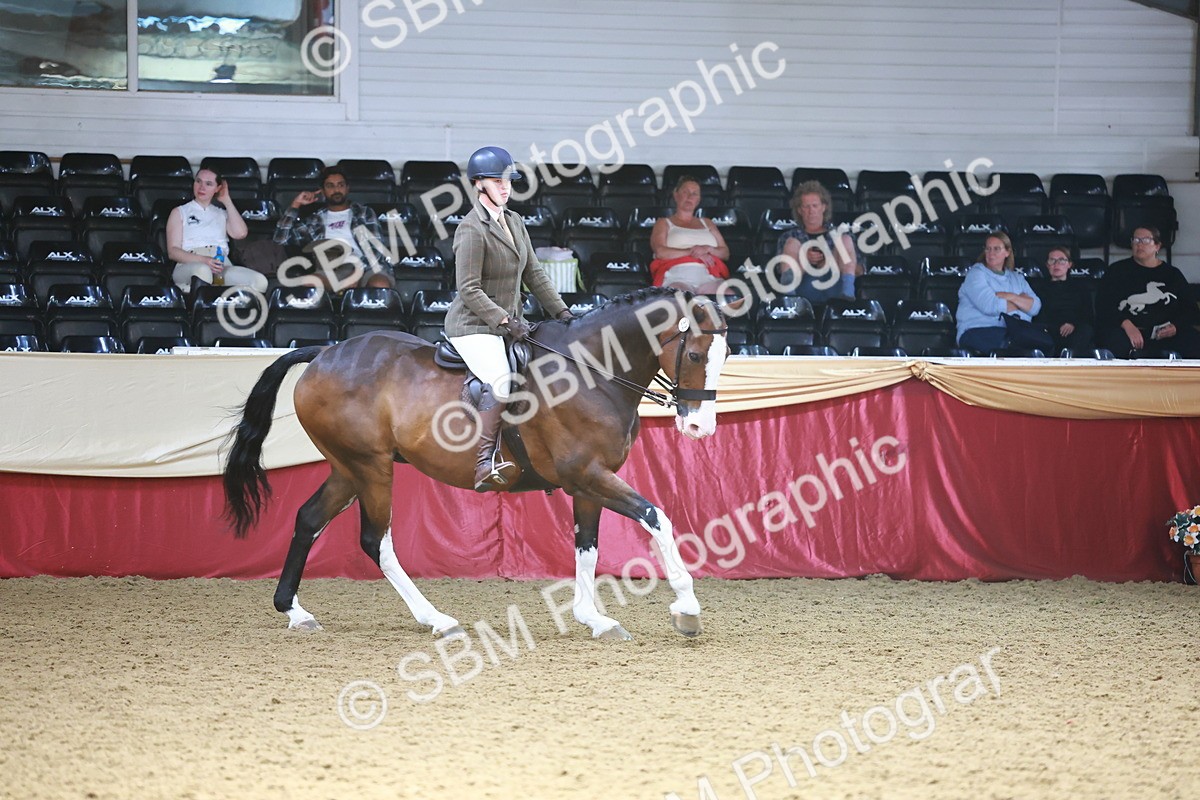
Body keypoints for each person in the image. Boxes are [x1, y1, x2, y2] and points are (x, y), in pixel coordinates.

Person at [445, 146, 574, 492]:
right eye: (498, 180)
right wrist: (504, 320)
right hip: (473, 326)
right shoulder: (471, 229)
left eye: (508, 180)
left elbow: (535, 274)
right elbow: (469, 289)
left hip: (506, 325)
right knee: (502, 380)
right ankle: (484, 463)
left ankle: (540, 458)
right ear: (478, 184)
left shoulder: (514, 221)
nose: (505, 187)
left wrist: (562, 313)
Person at [273, 166, 395, 291]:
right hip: (332, 269)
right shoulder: (315, 220)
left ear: (347, 188)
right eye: (330, 186)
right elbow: (281, 239)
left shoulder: (364, 213)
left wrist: (356, 274)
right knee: (308, 283)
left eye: (340, 185)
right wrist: (296, 204)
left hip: (368, 267)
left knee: (380, 285)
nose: (336, 189)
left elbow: (376, 249)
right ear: (322, 191)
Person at [1095, 227, 1200, 358]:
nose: (1139, 244)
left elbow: (1191, 309)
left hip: (1165, 334)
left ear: (1157, 246)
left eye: (1146, 240)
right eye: (1136, 240)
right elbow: (1103, 305)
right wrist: (1127, 325)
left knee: (1194, 341)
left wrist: (1175, 326)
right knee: (1113, 341)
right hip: (1128, 331)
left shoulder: (1172, 274)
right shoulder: (1117, 270)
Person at [167, 167, 268, 294]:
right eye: (198, 181)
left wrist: (226, 200)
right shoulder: (180, 211)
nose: (201, 187)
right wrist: (204, 260)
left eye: (209, 184)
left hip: (220, 263)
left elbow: (240, 233)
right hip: (190, 263)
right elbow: (173, 252)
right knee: (203, 271)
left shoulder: (222, 213)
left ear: (217, 188)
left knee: (259, 281)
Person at [956, 232, 1044, 352]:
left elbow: (1035, 307)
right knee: (1013, 347)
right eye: (988, 248)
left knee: (1041, 343)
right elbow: (990, 305)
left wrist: (1008, 296)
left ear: (1007, 252)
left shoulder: (1017, 278)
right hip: (977, 330)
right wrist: (1021, 303)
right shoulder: (976, 274)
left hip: (1013, 332)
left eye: (996, 249)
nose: (991, 253)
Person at [774, 180, 860, 305]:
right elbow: (780, 270)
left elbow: (859, 270)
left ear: (823, 207)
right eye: (806, 206)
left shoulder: (840, 234)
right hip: (803, 286)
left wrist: (830, 261)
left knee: (844, 240)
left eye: (815, 205)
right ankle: (789, 298)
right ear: (799, 210)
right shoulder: (789, 236)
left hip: (834, 285)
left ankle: (847, 294)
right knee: (792, 243)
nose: (811, 211)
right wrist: (804, 259)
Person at [648, 176, 730, 293]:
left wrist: (707, 249)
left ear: (698, 199)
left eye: (694, 193)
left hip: (709, 275)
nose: (690, 197)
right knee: (680, 298)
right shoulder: (664, 222)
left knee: (728, 298)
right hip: (677, 274)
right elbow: (660, 252)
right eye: (685, 192)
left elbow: (725, 253)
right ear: (676, 195)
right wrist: (693, 252)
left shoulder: (707, 222)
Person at [1033, 246, 1095, 353]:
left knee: (1086, 331)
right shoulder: (1038, 288)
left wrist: (1072, 324)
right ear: (1047, 265)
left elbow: (1088, 315)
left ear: (1069, 264)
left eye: (1061, 260)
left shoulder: (1081, 288)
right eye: (1052, 260)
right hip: (1048, 331)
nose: (1056, 264)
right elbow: (1037, 316)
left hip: (1075, 330)